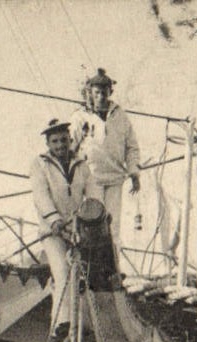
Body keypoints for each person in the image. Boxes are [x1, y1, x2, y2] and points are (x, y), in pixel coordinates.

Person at [29, 117, 88, 342]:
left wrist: (86, 220)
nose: (60, 146)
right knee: (62, 271)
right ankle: (62, 325)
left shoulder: (81, 165)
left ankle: (65, 325)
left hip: (76, 230)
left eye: (64, 140)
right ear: (48, 144)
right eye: (55, 142)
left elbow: (91, 195)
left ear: (70, 139)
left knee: (75, 276)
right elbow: (40, 196)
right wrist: (54, 221)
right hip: (52, 232)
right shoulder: (39, 165)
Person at [72, 69, 141, 257]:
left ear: (110, 92)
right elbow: (71, 147)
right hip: (92, 178)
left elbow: (132, 147)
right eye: (97, 93)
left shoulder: (120, 116)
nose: (101, 97)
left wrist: (134, 172)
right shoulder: (80, 117)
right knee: (93, 224)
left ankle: (113, 269)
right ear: (90, 94)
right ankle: (93, 270)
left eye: (104, 92)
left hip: (115, 178)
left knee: (113, 226)